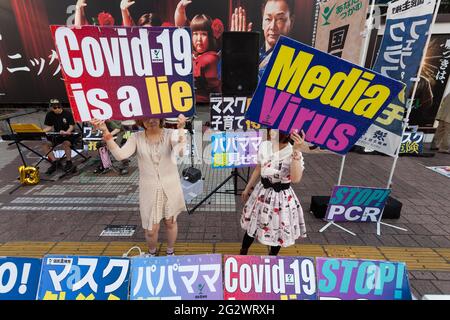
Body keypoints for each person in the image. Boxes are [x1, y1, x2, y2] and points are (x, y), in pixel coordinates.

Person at [91, 115, 187, 256]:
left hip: (170, 187)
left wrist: (180, 130)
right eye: (146, 118)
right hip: (149, 190)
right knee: (150, 229)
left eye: (155, 117)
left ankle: (170, 252)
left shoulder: (170, 134)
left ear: (161, 119)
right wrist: (105, 131)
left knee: (170, 222)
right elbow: (121, 155)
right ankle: (152, 253)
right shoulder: (136, 137)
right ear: (140, 121)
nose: (151, 120)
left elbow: (180, 152)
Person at [240, 129, 307, 256]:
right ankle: (243, 252)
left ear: (286, 135)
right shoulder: (265, 145)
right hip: (262, 192)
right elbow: (259, 167)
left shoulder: (292, 152)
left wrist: (296, 152)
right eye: (271, 130)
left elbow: (296, 179)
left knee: (278, 229)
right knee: (253, 224)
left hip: (281, 197)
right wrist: (248, 187)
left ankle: (272, 257)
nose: (271, 133)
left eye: (275, 132)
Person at [231, 0, 295, 79]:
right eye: (268, 19)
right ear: (262, 23)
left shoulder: (295, 62)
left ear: (291, 22)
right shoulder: (253, 52)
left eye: (280, 19)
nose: (272, 27)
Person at [175, 0, 222, 104]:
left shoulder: (210, 58)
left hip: (204, 109)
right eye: (195, 34)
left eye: (203, 34)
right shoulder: (194, 55)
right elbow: (180, 29)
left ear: (210, 37)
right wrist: (180, 10)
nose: (198, 39)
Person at [42, 99, 76, 174]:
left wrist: (67, 132)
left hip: (69, 135)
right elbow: (49, 127)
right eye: (54, 108)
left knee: (66, 144)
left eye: (59, 107)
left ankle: (69, 161)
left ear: (61, 106)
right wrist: (40, 132)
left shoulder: (67, 114)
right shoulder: (49, 114)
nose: (57, 109)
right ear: (51, 108)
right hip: (57, 134)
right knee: (45, 145)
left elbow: (71, 126)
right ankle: (55, 162)